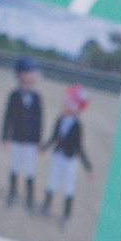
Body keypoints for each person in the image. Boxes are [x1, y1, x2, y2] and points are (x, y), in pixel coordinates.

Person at [40, 85, 93, 223]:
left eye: (70, 102)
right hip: (57, 156)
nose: (65, 103)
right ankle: (46, 206)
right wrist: (43, 148)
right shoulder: (60, 119)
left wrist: (88, 167)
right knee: (52, 181)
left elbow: (79, 147)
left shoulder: (78, 126)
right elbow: (54, 137)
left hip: (69, 160)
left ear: (76, 107)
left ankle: (66, 214)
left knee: (68, 187)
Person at [1, 58, 44, 213]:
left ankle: (30, 198)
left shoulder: (37, 97)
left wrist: (39, 141)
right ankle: (12, 193)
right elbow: (8, 117)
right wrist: (4, 137)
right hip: (17, 139)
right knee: (14, 167)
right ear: (21, 75)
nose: (31, 77)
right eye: (28, 73)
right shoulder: (14, 95)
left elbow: (40, 120)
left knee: (30, 170)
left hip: (31, 141)